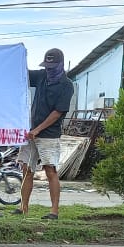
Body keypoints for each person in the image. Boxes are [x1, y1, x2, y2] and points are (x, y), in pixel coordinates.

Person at [16, 48, 74, 219]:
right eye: (47, 66)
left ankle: (54, 211)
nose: (49, 69)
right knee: (26, 169)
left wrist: (38, 129)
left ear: (60, 65)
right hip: (31, 133)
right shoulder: (41, 76)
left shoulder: (66, 85)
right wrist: (15, 57)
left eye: (52, 66)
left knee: (50, 170)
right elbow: (22, 75)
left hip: (49, 134)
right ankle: (23, 207)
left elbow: (58, 112)